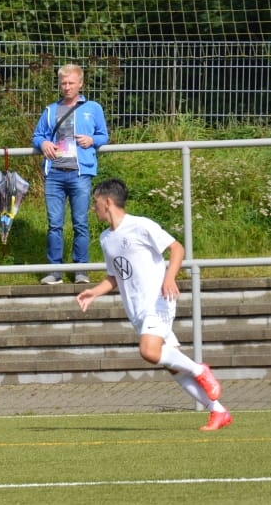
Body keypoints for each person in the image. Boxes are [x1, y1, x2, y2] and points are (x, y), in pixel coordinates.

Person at [77, 177, 231, 430]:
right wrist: (94, 292)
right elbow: (115, 276)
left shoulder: (140, 225)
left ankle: (200, 370)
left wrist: (169, 278)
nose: (93, 208)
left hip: (158, 301)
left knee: (149, 352)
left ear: (108, 202)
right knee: (173, 366)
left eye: (95, 203)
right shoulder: (106, 238)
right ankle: (218, 411)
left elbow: (177, 248)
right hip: (137, 310)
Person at [33, 63, 109, 285]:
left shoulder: (93, 108)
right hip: (54, 174)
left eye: (71, 83)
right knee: (54, 224)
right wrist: (43, 143)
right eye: (63, 83)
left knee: (80, 223)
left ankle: (80, 271)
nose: (67, 87)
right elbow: (37, 136)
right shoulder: (50, 110)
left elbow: (104, 135)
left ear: (80, 84)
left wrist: (92, 140)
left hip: (79, 174)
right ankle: (55, 271)